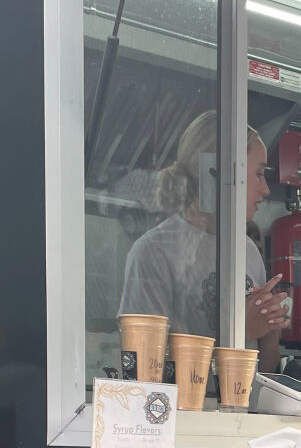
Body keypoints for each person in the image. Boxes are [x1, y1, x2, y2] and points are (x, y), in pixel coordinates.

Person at [119, 111, 290, 364]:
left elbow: (265, 375)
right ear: (218, 173)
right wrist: (239, 333)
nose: (265, 188)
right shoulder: (153, 251)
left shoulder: (248, 251)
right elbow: (144, 366)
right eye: (258, 173)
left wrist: (271, 329)